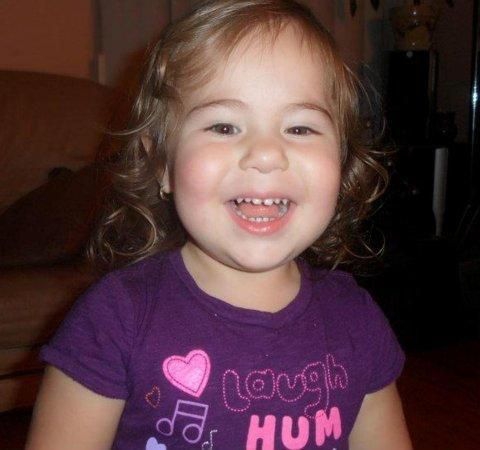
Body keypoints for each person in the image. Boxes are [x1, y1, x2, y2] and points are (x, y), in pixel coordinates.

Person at [26, 1, 412, 449]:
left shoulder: (357, 321)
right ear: (162, 164)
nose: (266, 154)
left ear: (341, 163)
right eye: (225, 127)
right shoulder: (116, 319)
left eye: (301, 129)